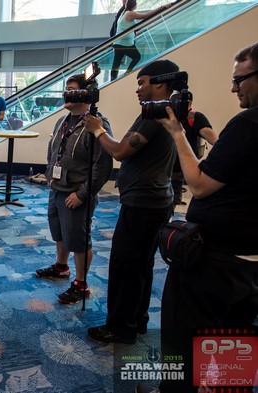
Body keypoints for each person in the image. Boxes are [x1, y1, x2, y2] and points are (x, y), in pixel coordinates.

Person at [141, 42, 258, 393]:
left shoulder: (248, 123)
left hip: (214, 262)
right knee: (236, 339)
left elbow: (200, 183)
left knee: (184, 337)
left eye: (240, 79)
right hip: (249, 260)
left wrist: (178, 132)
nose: (233, 88)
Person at [83, 59, 179, 344]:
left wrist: (99, 130)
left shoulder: (154, 115)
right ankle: (136, 319)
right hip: (156, 201)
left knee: (125, 266)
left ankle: (120, 327)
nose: (137, 89)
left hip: (143, 204)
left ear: (159, 82)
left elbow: (121, 151)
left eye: (142, 82)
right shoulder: (167, 111)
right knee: (141, 265)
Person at [35, 74, 113, 305]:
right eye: (65, 90)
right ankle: (61, 267)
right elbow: (54, 150)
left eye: (71, 90)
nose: (65, 95)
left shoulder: (96, 123)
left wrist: (82, 194)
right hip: (57, 188)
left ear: (85, 94)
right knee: (60, 233)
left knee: (79, 239)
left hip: (76, 193)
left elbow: (102, 165)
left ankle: (81, 284)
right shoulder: (63, 120)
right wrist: (51, 176)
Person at [170, 95, 218, 206]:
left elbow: (211, 136)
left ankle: (174, 208)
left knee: (175, 187)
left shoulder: (195, 117)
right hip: (166, 162)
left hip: (182, 163)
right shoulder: (170, 116)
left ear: (189, 103)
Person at [110, 0, 172, 81]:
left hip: (118, 42)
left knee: (116, 63)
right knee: (137, 57)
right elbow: (145, 15)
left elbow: (127, 26)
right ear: (134, 5)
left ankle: (113, 80)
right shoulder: (130, 13)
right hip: (125, 43)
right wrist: (161, 8)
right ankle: (127, 73)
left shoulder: (124, 13)